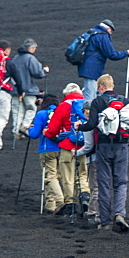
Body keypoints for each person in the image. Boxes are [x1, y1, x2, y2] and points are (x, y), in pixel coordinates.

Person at [75, 73, 129, 232]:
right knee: (121, 182)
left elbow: (91, 124)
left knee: (103, 183)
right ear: (113, 86)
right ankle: (119, 214)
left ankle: (105, 221)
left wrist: (78, 127)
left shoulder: (98, 102)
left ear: (101, 87)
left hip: (104, 146)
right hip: (122, 146)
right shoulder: (125, 101)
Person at [43, 83, 91, 218]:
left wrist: (47, 134)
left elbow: (53, 129)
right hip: (85, 146)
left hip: (68, 146)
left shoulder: (63, 107)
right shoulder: (86, 104)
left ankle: (71, 205)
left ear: (66, 94)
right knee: (83, 174)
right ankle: (85, 196)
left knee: (67, 177)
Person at [77, 20, 129, 103]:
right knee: (90, 95)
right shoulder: (102, 35)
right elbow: (111, 54)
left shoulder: (93, 33)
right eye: (111, 31)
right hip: (92, 69)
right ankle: (88, 114)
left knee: (91, 92)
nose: (111, 33)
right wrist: (126, 53)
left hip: (88, 67)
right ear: (107, 28)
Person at [27, 93, 63, 214]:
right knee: (56, 176)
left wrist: (29, 129)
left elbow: (34, 134)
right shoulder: (61, 112)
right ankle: (50, 204)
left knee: (50, 176)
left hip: (47, 149)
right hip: (62, 148)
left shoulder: (42, 114)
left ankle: (59, 201)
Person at [7, 39, 49, 139]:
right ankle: (24, 127)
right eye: (34, 48)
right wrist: (44, 71)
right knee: (31, 108)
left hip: (15, 89)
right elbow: (38, 73)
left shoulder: (15, 58)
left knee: (18, 111)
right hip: (28, 89)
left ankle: (16, 131)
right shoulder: (30, 58)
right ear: (30, 48)